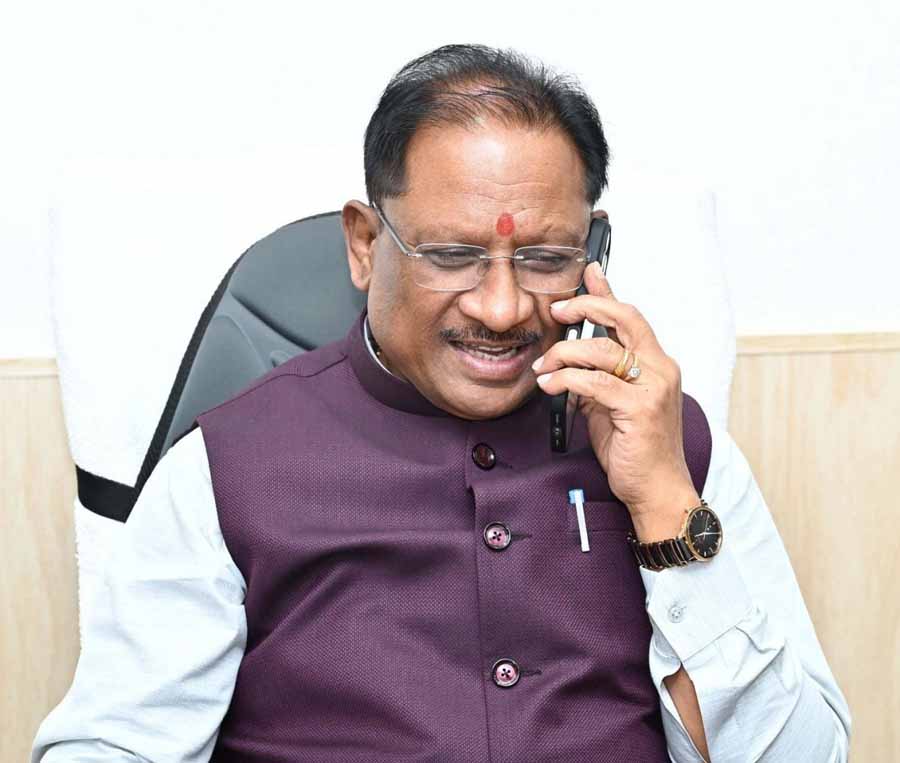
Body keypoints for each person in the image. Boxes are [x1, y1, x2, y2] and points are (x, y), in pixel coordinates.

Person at [32, 43, 850, 762]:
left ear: (593, 250)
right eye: (454, 255)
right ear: (364, 244)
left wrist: (665, 506)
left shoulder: (676, 449)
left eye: (545, 257)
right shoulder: (225, 468)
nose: (501, 308)